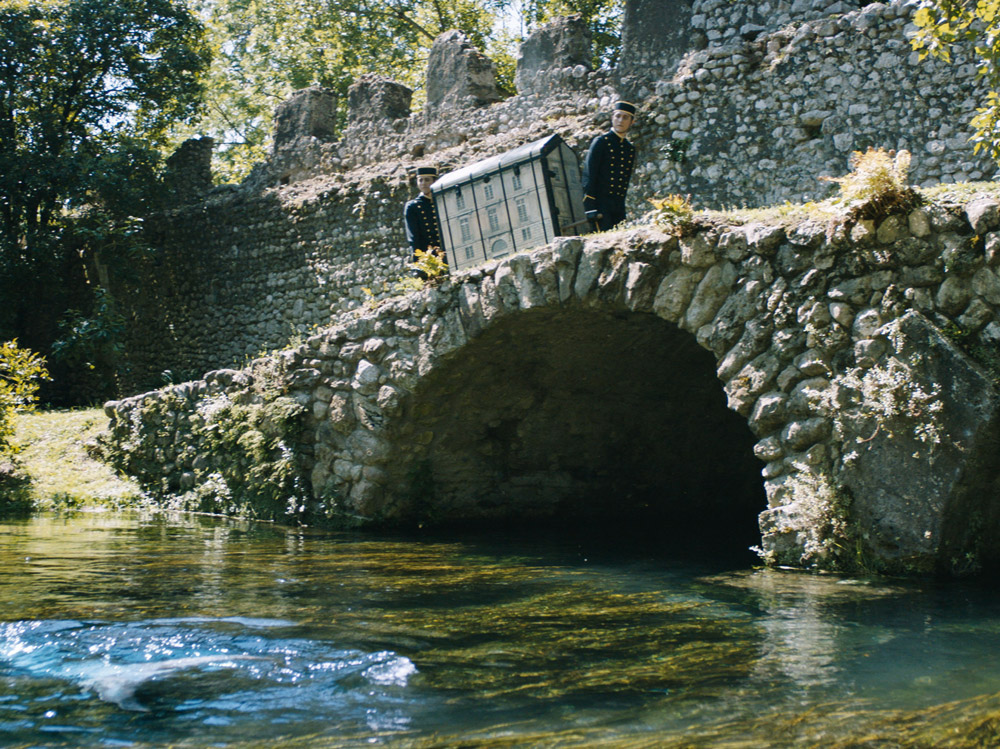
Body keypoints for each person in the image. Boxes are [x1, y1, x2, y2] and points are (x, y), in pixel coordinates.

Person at [582, 101, 637, 231]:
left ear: (632, 122)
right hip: (600, 205)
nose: (620, 120)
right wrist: (589, 207)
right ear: (612, 117)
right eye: (618, 116)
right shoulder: (601, 142)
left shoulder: (629, 149)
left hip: (618, 206)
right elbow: (589, 175)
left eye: (625, 117)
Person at [403, 166, 445, 276]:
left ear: (434, 181)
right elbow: (413, 237)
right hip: (428, 256)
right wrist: (419, 263)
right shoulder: (413, 206)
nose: (423, 183)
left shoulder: (442, 200)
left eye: (427, 180)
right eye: (420, 180)